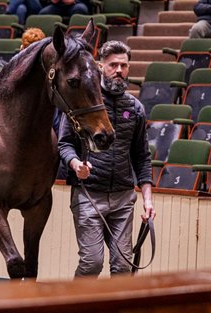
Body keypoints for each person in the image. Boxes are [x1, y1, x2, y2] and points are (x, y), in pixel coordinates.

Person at [57, 40, 155, 277]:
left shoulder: (135, 108)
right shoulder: (82, 101)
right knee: (92, 263)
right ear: (101, 67)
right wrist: (75, 164)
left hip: (123, 197)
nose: (119, 70)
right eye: (113, 65)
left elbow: (142, 157)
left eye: (124, 65)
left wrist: (148, 200)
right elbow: (65, 143)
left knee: (122, 267)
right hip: (89, 195)